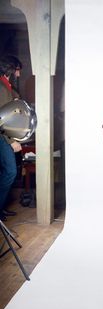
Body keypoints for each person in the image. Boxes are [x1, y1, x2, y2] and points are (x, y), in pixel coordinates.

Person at [0, 55, 23, 221]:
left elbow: (14, 99)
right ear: (10, 69)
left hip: (4, 135)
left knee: (5, 171)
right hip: (2, 136)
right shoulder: (1, 87)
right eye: (18, 70)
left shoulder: (6, 85)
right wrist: (12, 141)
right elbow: (2, 119)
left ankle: (1, 208)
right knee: (10, 172)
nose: (19, 74)